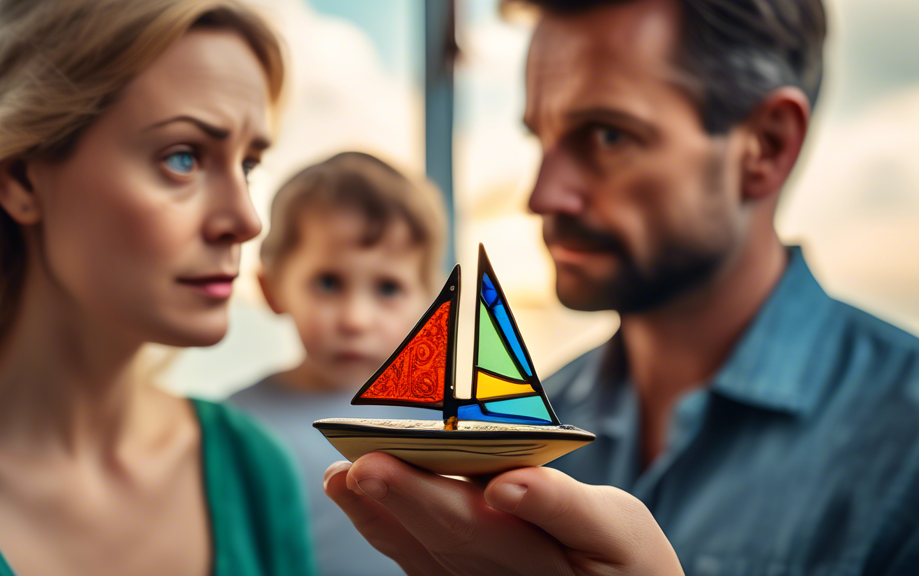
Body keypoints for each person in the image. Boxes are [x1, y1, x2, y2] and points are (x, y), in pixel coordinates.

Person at [327, 0, 919, 574]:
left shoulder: (904, 442)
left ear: (764, 145)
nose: (542, 195)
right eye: (542, 139)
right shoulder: (532, 420)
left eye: (608, 137)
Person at [0, 1, 315, 574]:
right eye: (184, 158)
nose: (246, 220)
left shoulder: (252, 471)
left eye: (247, 164)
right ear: (20, 177)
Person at [230, 151, 447, 576]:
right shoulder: (233, 427)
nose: (355, 319)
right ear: (271, 288)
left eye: (388, 287)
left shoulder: (451, 426)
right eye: (328, 283)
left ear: (428, 302)